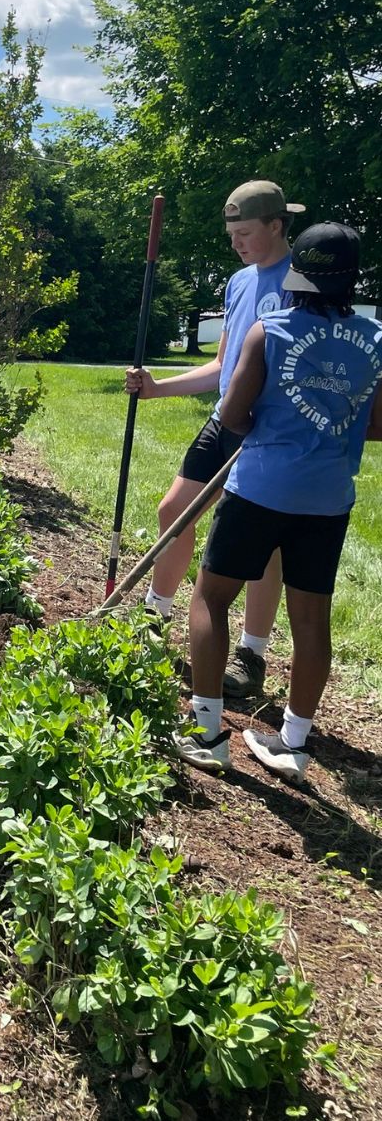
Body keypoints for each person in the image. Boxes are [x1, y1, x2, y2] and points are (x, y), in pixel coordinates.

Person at [174, 223, 382, 784]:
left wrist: (272, 421)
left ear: (299, 274)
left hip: (260, 488)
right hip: (328, 498)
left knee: (212, 598)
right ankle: (292, 744)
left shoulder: (269, 332)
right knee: (311, 619)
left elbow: (234, 415)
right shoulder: (376, 339)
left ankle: (207, 731)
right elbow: (378, 423)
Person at [125, 180, 304, 697]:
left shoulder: (300, 284)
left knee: (262, 549)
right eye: (231, 235)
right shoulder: (239, 282)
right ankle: (152, 620)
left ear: (276, 225)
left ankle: (251, 654)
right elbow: (224, 366)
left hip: (266, 432)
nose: (236, 243)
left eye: (245, 233)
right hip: (225, 420)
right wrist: (157, 389)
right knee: (173, 511)